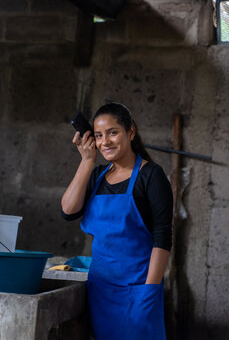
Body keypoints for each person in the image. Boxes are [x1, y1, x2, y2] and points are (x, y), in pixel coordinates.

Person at [61, 102, 173, 340]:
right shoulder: (96, 175)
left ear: (130, 132)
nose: (105, 142)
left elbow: (163, 237)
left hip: (139, 289)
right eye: (99, 135)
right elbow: (68, 210)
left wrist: (149, 291)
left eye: (113, 132)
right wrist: (86, 161)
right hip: (100, 290)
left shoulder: (151, 175)